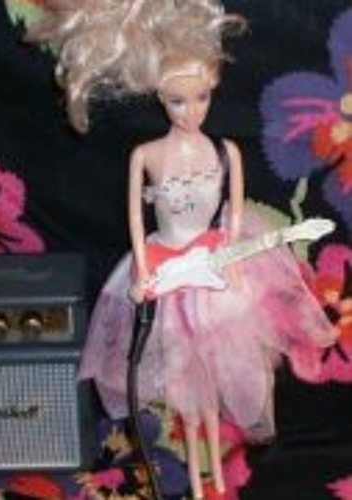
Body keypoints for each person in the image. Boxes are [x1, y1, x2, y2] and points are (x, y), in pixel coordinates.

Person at [26, 1, 336, 498]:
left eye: (201, 97)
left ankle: (216, 475)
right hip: (168, 268)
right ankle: (193, 475)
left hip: (214, 268)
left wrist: (233, 264)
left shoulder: (225, 151)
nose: (192, 111)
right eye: (178, 101)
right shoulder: (147, 155)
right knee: (185, 388)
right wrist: (144, 269)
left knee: (218, 376)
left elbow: (233, 212)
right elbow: (136, 216)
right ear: (160, 97)